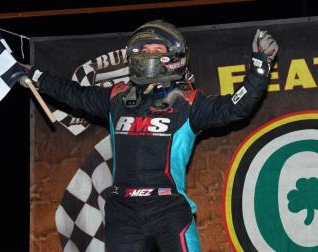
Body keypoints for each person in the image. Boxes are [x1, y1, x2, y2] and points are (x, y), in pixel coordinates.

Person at [23, 20, 278, 252]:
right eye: (144, 51)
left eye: (157, 51)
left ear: (174, 57)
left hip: (169, 210)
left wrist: (259, 68)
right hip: (122, 212)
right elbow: (73, 93)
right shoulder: (117, 98)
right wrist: (35, 76)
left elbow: (235, 108)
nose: (149, 56)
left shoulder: (188, 102)